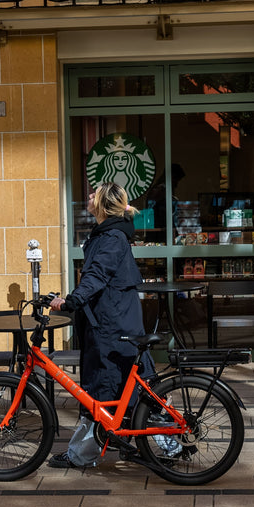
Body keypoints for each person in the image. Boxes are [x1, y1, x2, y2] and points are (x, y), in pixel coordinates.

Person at [47, 182, 150, 469]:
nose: (88, 197)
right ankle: (160, 444)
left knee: (103, 389)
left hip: (111, 323)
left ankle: (82, 454)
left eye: (93, 194)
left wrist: (72, 300)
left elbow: (97, 275)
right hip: (113, 319)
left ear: (103, 204)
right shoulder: (108, 234)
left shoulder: (111, 237)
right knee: (124, 388)